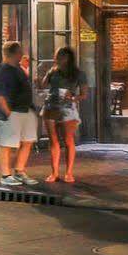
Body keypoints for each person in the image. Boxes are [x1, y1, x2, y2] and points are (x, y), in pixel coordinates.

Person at [0, 41, 39, 185]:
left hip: (25, 110)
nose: (22, 54)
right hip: (12, 112)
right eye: (20, 52)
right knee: (7, 144)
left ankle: (20, 171)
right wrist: (7, 113)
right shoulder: (1, 72)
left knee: (27, 141)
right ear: (14, 53)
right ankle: (5, 175)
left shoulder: (18, 69)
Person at [41, 46, 86, 183]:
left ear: (68, 58)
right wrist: (46, 72)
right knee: (53, 141)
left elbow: (84, 94)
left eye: (61, 56)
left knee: (68, 141)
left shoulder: (78, 73)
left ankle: (69, 172)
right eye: (57, 56)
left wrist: (72, 98)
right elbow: (43, 85)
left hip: (67, 107)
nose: (58, 59)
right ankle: (54, 173)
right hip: (51, 105)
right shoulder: (53, 71)